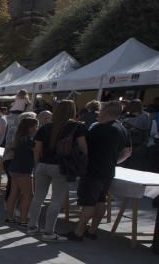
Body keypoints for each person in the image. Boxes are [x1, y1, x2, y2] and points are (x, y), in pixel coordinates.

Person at [66, 101, 132, 241]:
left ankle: (78, 232)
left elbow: (84, 148)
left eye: (100, 111)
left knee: (89, 202)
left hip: (93, 169)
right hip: (108, 170)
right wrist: (114, 162)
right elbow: (127, 152)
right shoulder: (123, 129)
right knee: (101, 200)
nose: (98, 114)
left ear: (107, 113)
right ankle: (92, 230)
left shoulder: (99, 129)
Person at [27, 99, 88, 242]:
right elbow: (84, 149)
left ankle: (32, 227)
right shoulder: (77, 127)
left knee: (38, 197)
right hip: (62, 166)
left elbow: (37, 149)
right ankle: (49, 232)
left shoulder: (45, 128)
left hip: (43, 165)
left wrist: (37, 166)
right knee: (56, 200)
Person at [4, 116, 38, 226]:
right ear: (31, 128)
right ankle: (23, 220)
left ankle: (10, 217)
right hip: (24, 170)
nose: (37, 129)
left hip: (14, 168)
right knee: (28, 195)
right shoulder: (29, 139)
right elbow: (37, 151)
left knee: (14, 193)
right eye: (35, 126)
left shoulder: (18, 137)